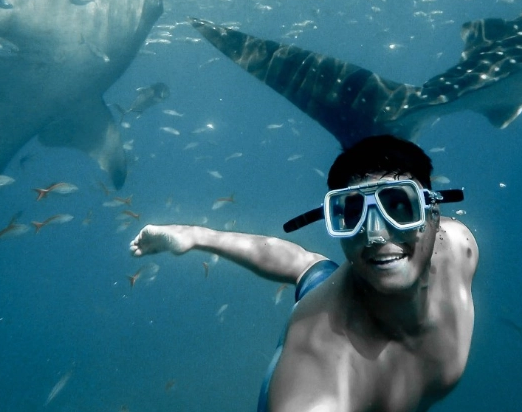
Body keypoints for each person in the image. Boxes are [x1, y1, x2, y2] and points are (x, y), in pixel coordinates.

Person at [129, 135, 479, 412]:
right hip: (325, 321)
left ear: (434, 215)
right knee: (318, 283)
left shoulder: (459, 247)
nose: (375, 234)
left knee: (312, 269)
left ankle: (197, 236)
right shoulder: (320, 372)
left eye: (400, 207)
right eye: (352, 214)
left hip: (346, 286)